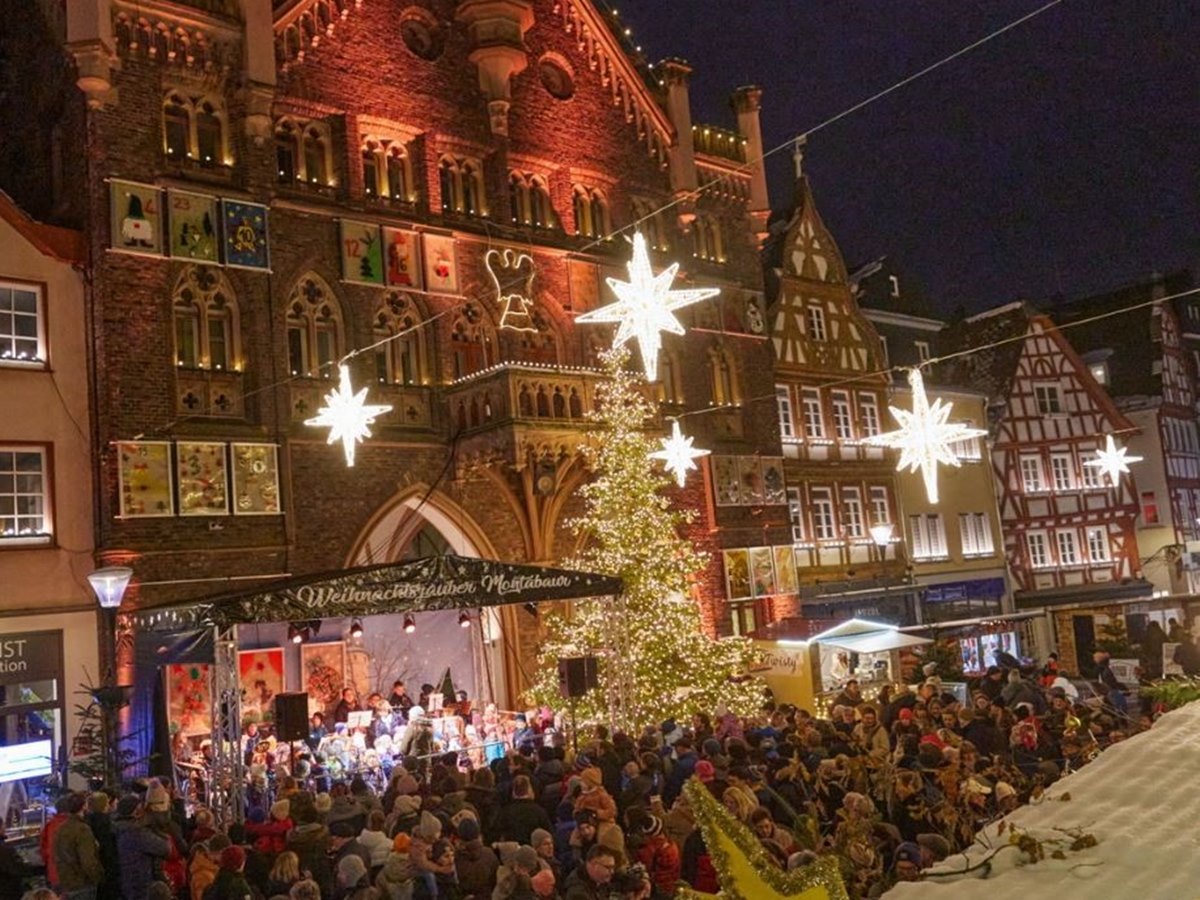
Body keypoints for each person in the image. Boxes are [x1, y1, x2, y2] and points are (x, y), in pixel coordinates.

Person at [114, 794, 170, 900]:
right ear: (135, 811)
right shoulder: (136, 832)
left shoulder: (115, 827)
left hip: (123, 882)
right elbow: (164, 848)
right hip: (139, 883)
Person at [495, 775, 553, 845]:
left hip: (512, 852)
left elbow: (498, 834)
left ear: (513, 792)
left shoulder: (505, 812)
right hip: (533, 851)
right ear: (530, 790)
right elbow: (548, 834)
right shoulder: (539, 812)